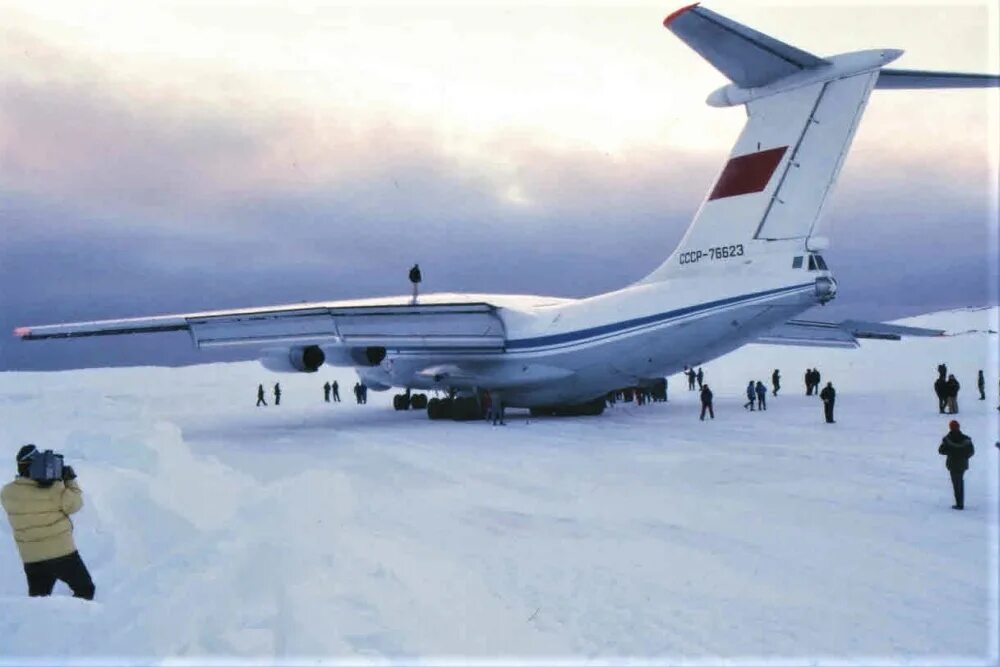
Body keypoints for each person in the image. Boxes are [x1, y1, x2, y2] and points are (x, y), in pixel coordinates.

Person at [1, 445, 95, 600]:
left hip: (32, 558)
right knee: (85, 590)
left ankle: (43, 624)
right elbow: (75, 504)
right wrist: (69, 480)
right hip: (62, 554)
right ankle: (78, 622)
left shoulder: (7, 493)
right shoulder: (54, 489)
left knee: (39, 600)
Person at [938, 420, 974, 510]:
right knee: (960, 482)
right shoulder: (966, 439)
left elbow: (941, 451)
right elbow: (971, 452)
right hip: (962, 465)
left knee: (956, 484)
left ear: (950, 427)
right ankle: (960, 503)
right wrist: (965, 456)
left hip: (953, 464)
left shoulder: (948, 439)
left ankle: (959, 504)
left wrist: (951, 452)